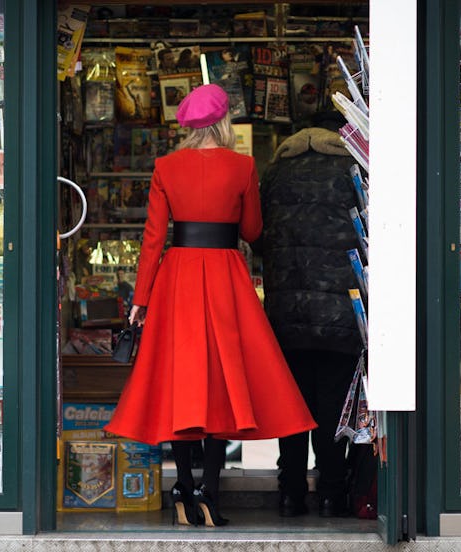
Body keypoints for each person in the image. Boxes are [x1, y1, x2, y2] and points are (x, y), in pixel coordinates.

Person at [105, 84, 316, 528]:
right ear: (224, 123)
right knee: (223, 384)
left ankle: (182, 486)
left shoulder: (166, 166)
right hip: (225, 277)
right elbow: (254, 229)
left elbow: (152, 240)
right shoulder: (242, 166)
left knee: (183, 383)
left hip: (176, 277)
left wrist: (139, 302)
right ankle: (209, 492)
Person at [258, 113, 365, 518]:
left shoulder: (275, 173)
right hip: (340, 309)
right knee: (331, 406)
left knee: (290, 405)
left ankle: (290, 493)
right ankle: (332, 493)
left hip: (286, 312)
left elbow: (257, 233)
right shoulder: (350, 168)